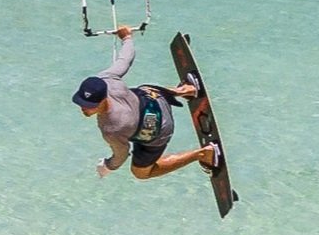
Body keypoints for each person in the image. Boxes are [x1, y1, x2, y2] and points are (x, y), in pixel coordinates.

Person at [72, 26, 216, 180]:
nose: (84, 108)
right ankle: (185, 90)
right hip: (158, 98)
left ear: (103, 99)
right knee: (141, 90)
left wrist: (108, 166)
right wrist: (127, 38)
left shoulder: (111, 129)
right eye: (81, 102)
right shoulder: (106, 79)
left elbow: (121, 156)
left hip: (161, 128)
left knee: (140, 173)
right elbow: (125, 60)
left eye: (89, 105)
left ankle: (203, 154)